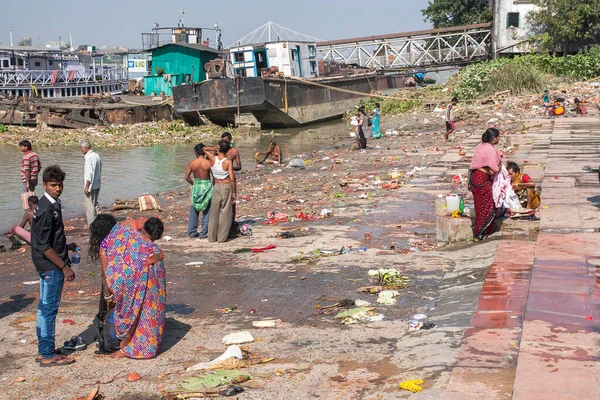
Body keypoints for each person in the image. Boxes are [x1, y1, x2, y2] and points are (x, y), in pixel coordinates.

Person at [89, 214, 166, 359]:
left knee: (130, 311)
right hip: (152, 271)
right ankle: (148, 347)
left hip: (131, 278)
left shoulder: (106, 244)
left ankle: (124, 346)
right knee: (148, 312)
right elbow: (159, 254)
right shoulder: (129, 229)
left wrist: (109, 295)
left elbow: (106, 275)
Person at [31, 165, 78, 366]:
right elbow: (42, 245)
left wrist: (66, 246)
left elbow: (48, 238)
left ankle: (44, 349)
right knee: (49, 309)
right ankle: (48, 354)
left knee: (44, 308)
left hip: (50, 261)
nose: (57, 188)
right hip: (50, 265)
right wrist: (64, 267)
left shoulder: (53, 204)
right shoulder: (45, 209)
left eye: (59, 185)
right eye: (53, 185)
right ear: (44, 185)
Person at [468, 128, 502, 240]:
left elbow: (475, 164)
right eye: (498, 137)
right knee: (488, 206)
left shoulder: (480, 146)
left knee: (479, 206)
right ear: (493, 139)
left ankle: (479, 231)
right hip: (482, 180)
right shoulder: (490, 150)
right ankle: (482, 232)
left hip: (474, 178)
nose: (499, 139)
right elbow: (492, 170)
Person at [205, 140, 237, 243]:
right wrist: (234, 192)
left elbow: (204, 149)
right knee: (225, 212)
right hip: (226, 186)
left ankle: (211, 237)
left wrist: (214, 148)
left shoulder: (212, 158)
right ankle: (221, 238)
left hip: (216, 186)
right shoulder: (227, 162)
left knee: (214, 212)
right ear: (228, 151)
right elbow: (231, 178)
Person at [186, 143, 214, 239]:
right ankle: (204, 233)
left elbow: (187, 177)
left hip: (197, 186)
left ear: (196, 152)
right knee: (207, 211)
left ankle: (192, 232)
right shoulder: (208, 163)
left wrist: (194, 184)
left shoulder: (192, 163)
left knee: (194, 209)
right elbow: (214, 176)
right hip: (206, 186)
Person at [80, 140, 102, 225]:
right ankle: (100, 221)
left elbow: (89, 173)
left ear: (84, 148)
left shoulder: (88, 157)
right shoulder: (97, 155)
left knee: (89, 207)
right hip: (97, 184)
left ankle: (92, 225)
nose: (81, 151)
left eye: (81, 149)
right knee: (95, 203)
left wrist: (86, 187)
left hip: (90, 186)